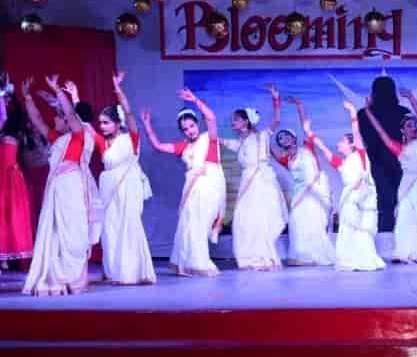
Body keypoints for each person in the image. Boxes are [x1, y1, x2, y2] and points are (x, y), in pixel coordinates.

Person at [22, 76, 102, 295]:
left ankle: (74, 278)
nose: (55, 120)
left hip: (73, 188)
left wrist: (58, 91)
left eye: (58, 117)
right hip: (56, 189)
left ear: (67, 120)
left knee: (73, 233)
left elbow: (70, 114)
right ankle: (58, 276)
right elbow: (38, 121)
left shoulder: (79, 136)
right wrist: (27, 97)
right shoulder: (58, 138)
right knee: (55, 233)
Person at [140, 88, 226, 277]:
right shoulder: (184, 147)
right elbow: (158, 146)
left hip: (210, 185)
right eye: (185, 129)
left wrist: (195, 100)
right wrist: (147, 125)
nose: (189, 131)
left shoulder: (209, 138)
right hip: (191, 189)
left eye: (191, 126)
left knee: (201, 223)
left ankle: (199, 262)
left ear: (197, 123)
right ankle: (190, 263)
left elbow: (211, 117)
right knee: (190, 224)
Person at [82, 72, 155, 285]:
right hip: (108, 188)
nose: (102, 126)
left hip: (128, 186)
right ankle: (114, 271)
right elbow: (84, 124)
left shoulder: (131, 138)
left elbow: (129, 113)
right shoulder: (103, 142)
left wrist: (118, 90)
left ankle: (131, 272)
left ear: (117, 123)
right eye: (101, 123)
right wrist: (75, 98)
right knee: (110, 228)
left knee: (128, 226)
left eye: (106, 123)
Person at [305, 101, 386, 272]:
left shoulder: (360, 154)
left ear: (352, 144)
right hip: (350, 197)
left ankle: (364, 259)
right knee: (348, 228)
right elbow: (324, 149)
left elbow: (356, 133)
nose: (338, 143)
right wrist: (309, 133)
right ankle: (349, 259)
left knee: (362, 230)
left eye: (342, 141)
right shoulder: (343, 164)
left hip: (364, 196)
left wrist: (352, 113)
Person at [364, 88, 417, 264]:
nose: (414, 128)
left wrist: (412, 98)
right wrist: (368, 112)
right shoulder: (400, 148)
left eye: (414, 125)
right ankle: (401, 252)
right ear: (402, 130)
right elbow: (381, 133)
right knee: (403, 216)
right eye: (409, 126)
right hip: (406, 184)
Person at [221, 85, 288, 271]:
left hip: (261, 182)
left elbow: (277, 120)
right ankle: (249, 257)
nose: (233, 122)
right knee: (244, 219)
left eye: (236, 119)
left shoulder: (262, 136)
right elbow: (221, 141)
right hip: (247, 183)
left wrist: (276, 99)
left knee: (260, 218)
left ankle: (263, 256)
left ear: (246, 122)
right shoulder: (240, 143)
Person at [272, 97, 336, 266]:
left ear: (294, 138)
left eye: (286, 136)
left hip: (314, 191)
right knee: (296, 221)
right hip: (299, 194)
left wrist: (300, 106)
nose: (283, 139)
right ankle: (301, 255)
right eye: (280, 139)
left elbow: (305, 127)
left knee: (312, 222)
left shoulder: (307, 148)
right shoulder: (286, 159)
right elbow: (269, 148)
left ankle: (312, 256)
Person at [357, 76, 411, 232]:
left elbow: (363, 139)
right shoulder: (403, 112)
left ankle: (383, 235)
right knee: (401, 199)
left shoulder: (363, 114)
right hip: (400, 160)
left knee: (381, 201)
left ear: (373, 92)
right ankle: (403, 236)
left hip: (375, 162)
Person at [0, 74, 34, 271]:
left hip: (8, 176)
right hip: (9, 175)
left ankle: (5, 257)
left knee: (8, 215)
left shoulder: (10, 132)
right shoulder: (12, 131)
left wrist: (9, 93)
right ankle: (4, 257)